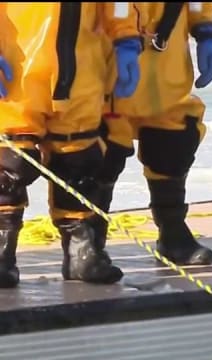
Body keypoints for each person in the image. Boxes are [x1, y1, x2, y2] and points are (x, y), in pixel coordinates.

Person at [0, 2, 143, 288]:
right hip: (17, 70)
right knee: (10, 160)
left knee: (79, 158)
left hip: (82, 69)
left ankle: (81, 250)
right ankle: (2, 250)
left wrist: (126, 38)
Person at [95, 2, 212, 266]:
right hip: (108, 55)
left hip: (167, 55)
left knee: (173, 138)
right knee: (102, 147)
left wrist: (205, 28)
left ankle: (173, 231)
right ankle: (89, 239)